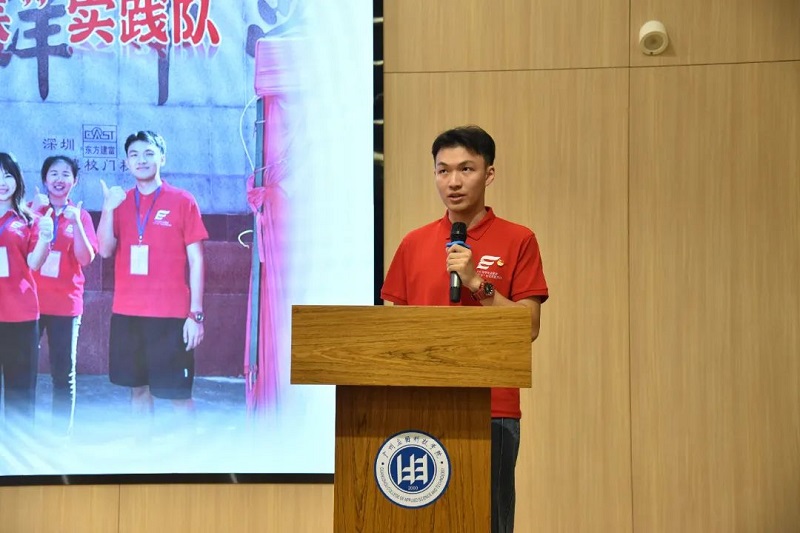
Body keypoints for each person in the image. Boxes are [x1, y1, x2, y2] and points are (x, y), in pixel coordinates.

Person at [380, 126, 549, 533]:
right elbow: (393, 332)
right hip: (419, 406)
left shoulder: (519, 239)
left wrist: (476, 283)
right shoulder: (413, 243)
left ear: (488, 174)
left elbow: (527, 326)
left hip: (491, 410)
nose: (453, 181)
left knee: (489, 521)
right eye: (443, 171)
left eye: (466, 169)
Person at [96, 131, 208, 421]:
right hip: (128, 314)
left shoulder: (183, 200)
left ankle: (189, 451)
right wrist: (107, 209)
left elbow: (197, 260)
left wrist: (195, 315)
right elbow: (104, 250)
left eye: (148, 153)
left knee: (178, 396)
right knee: (138, 391)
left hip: (171, 317)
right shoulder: (120, 202)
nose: (141, 160)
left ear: (162, 158)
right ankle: (141, 449)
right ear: (127, 162)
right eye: (134, 155)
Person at [31, 155, 98, 431]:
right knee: (21, 372)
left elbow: (85, 258)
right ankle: (22, 434)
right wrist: (33, 213)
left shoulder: (81, 216)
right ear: (44, 179)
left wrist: (77, 224)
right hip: (29, 304)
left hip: (66, 306)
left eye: (66, 174)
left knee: (63, 375)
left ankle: (60, 438)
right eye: (54, 174)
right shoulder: (31, 211)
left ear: (75, 181)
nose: (59, 179)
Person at [0, 152, 54, 426]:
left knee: (20, 391)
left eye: (8, 175)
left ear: (17, 180)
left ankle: (17, 446)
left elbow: (34, 262)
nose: (2, 182)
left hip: (19, 315)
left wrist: (45, 237)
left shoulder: (29, 219)